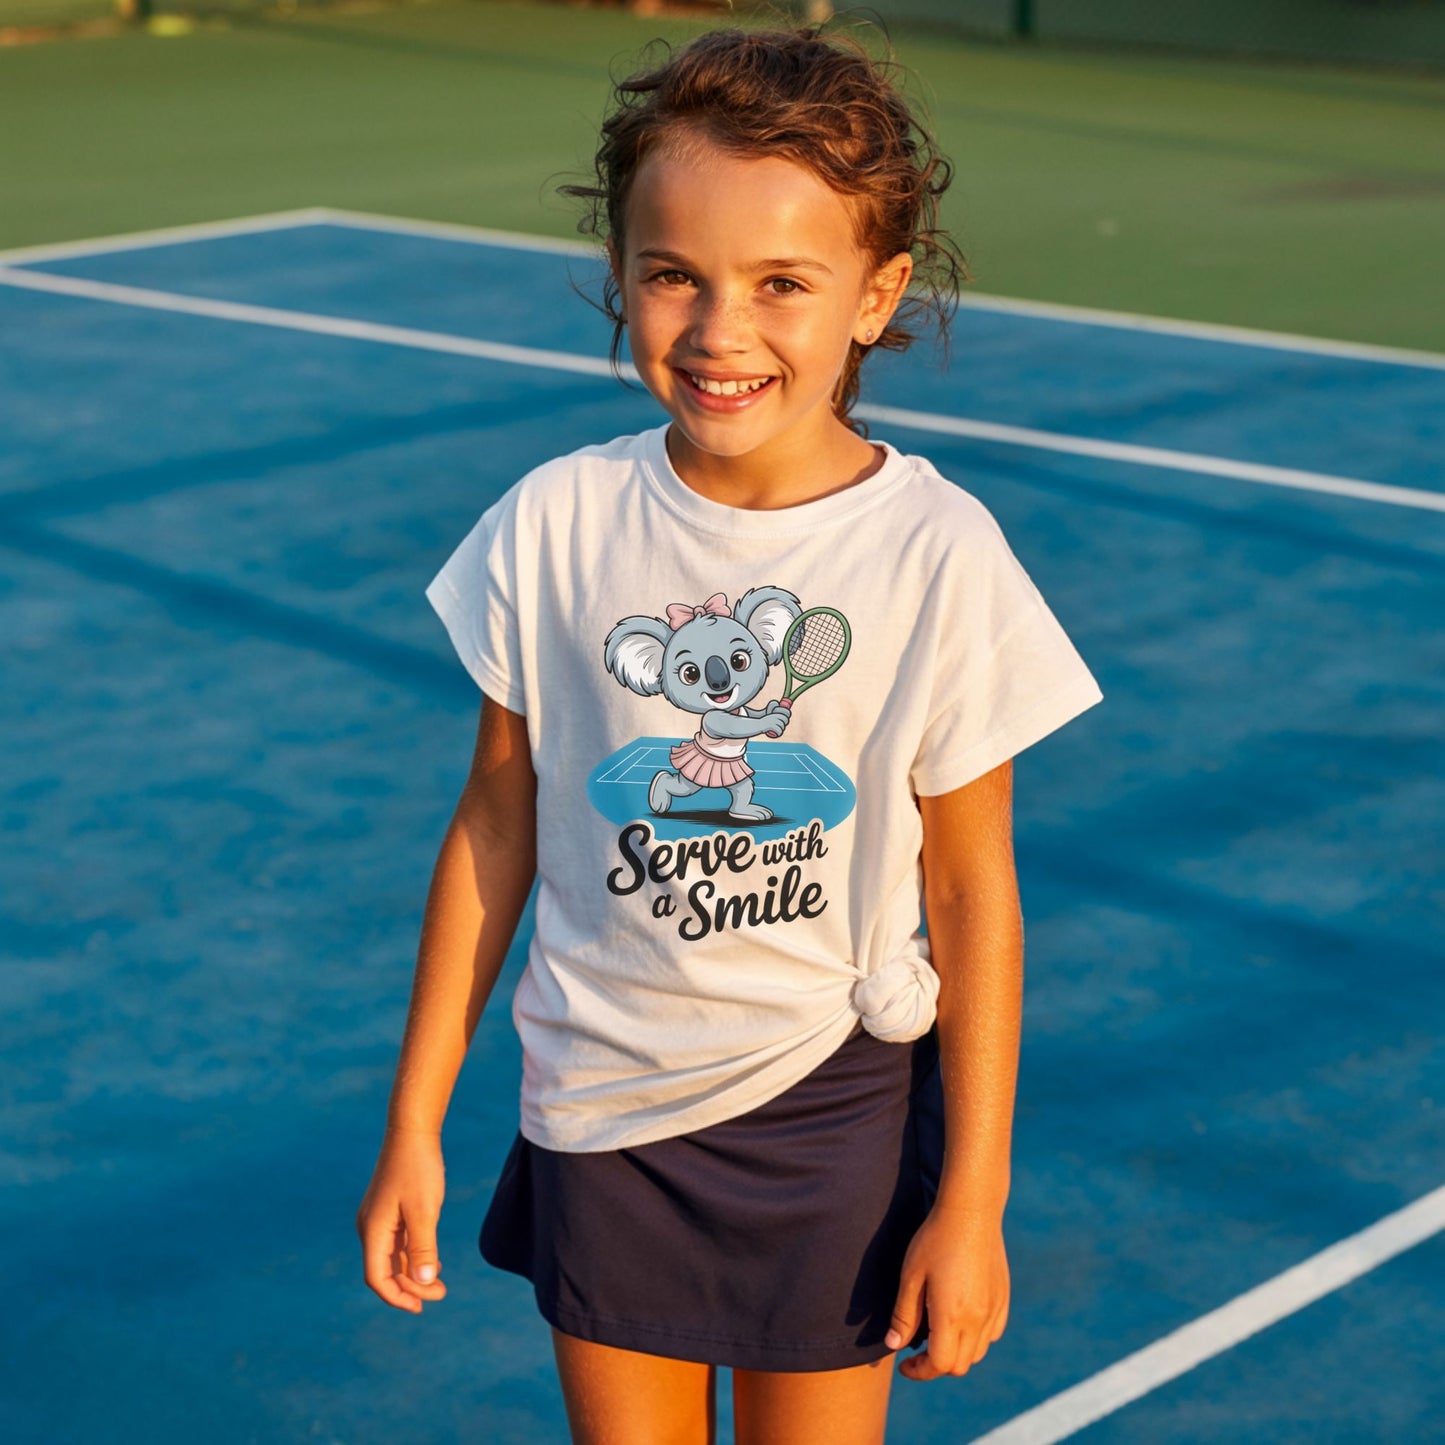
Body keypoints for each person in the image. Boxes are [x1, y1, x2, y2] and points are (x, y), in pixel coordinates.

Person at [357, 21, 1103, 1445]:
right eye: (672, 276)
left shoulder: (938, 552)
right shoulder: (554, 521)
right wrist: (413, 1123)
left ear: (876, 295)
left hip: (828, 1114)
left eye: (781, 283)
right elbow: (495, 823)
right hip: (599, 1102)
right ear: (623, 276)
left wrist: (973, 1195)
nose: (719, 331)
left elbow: (970, 893)